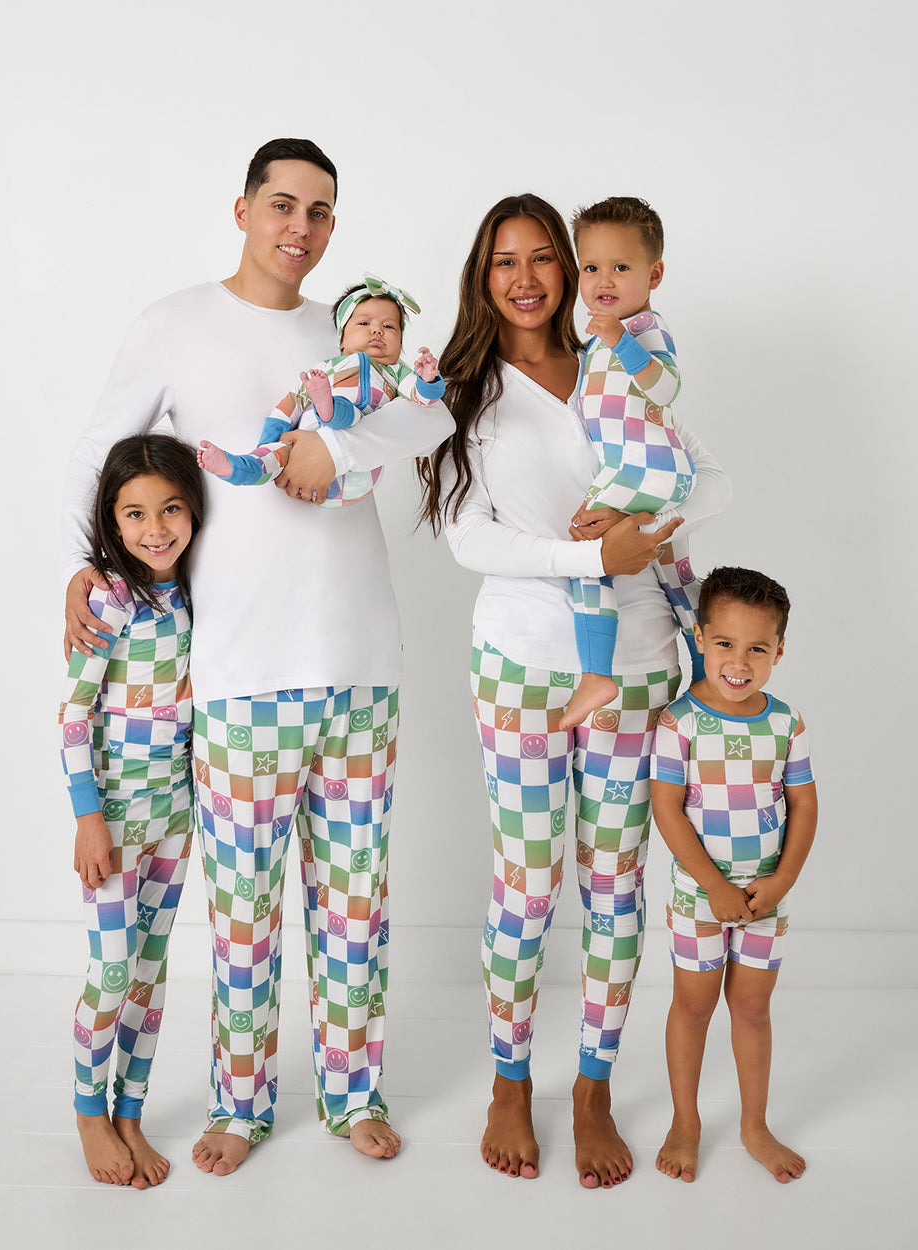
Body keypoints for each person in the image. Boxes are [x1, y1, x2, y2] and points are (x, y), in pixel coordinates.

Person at [62, 138, 454, 1176]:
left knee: (354, 902)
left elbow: (431, 412)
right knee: (242, 915)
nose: (302, 227)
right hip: (236, 675)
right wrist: (80, 568)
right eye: (283, 204)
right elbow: (96, 456)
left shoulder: (352, 332)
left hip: (363, 663)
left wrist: (344, 448)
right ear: (241, 209)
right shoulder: (176, 323)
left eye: (322, 212)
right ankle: (238, 1104)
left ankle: (351, 1091)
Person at [418, 194, 730, 1188]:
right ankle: (510, 1078)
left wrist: (658, 522)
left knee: (614, 881)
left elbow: (706, 478)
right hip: (520, 661)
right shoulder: (465, 386)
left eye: (543, 257)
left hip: (635, 661)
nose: (523, 277)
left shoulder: (617, 359)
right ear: (482, 276)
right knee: (528, 878)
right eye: (502, 260)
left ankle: (591, 1084)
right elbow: (471, 537)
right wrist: (591, 549)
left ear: (575, 268)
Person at [60, 433, 203, 1188]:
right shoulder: (110, 599)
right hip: (113, 819)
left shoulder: (198, 592)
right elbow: (74, 717)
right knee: (112, 969)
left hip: (175, 818)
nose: (156, 528)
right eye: (136, 513)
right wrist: (89, 817)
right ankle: (89, 1113)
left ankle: (131, 1112)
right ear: (113, 524)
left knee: (149, 972)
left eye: (171, 508)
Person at [651, 566, 817, 1184]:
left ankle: (754, 1124)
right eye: (725, 643)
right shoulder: (678, 723)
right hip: (701, 897)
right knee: (692, 1008)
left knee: (751, 1009)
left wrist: (781, 883)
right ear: (700, 638)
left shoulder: (786, 723)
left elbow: (804, 805)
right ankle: (685, 1121)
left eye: (757, 648)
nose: (739, 661)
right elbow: (667, 809)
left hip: (765, 897)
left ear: (779, 650)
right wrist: (714, 886)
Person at [560, 197, 701, 730]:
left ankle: (597, 673)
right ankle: (706, 663)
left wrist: (623, 341)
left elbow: (666, 388)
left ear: (654, 273)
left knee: (585, 545)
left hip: (647, 468)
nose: (604, 280)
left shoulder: (643, 327)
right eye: (592, 267)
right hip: (656, 470)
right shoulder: (597, 339)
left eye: (621, 267)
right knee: (675, 573)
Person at [198, 273, 443, 505]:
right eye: (364, 322)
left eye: (389, 327)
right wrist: (268, 441)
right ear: (342, 339)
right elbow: (292, 402)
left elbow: (422, 398)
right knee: (276, 454)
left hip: (358, 466)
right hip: (303, 453)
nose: (377, 330)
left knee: (352, 414)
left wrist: (428, 379)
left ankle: (331, 409)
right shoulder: (325, 369)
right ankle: (237, 467)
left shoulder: (396, 372)